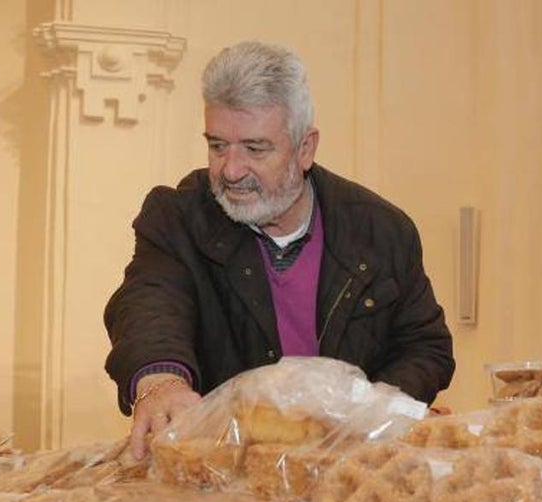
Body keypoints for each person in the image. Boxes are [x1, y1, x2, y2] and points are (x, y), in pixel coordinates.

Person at [104, 40, 455, 458]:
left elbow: (424, 346)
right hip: (222, 476)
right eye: (217, 146)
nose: (231, 170)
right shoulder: (178, 217)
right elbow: (149, 302)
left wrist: (369, 414)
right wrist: (161, 383)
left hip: (352, 473)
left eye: (255, 148)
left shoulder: (380, 230)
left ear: (305, 148)